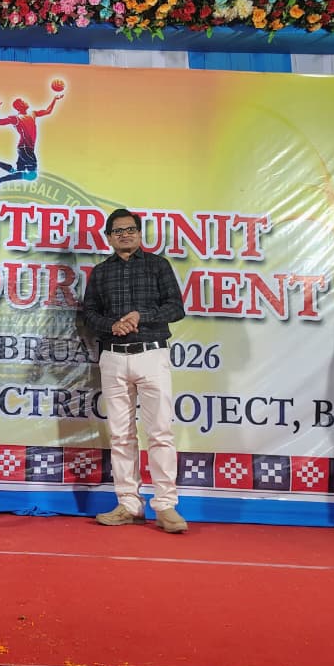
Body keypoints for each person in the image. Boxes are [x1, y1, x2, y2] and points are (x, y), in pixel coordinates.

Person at [82, 208, 188, 533]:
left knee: (160, 432)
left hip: (151, 354)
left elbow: (176, 308)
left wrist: (142, 316)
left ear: (140, 233)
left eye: (130, 229)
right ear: (109, 237)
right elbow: (89, 313)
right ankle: (128, 504)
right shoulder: (100, 272)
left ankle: (166, 505)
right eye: (118, 231)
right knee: (121, 435)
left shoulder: (158, 265)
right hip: (113, 357)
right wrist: (112, 326)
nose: (125, 235)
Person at [0, 88, 62, 197]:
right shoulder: (16, 119)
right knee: (32, 175)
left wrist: (54, 99)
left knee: (15, 172)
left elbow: (48, 111)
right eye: (22, 102)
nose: (25, 102)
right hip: (25, 148)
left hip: (25, 148)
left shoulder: (33, 113)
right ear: (19, 107)